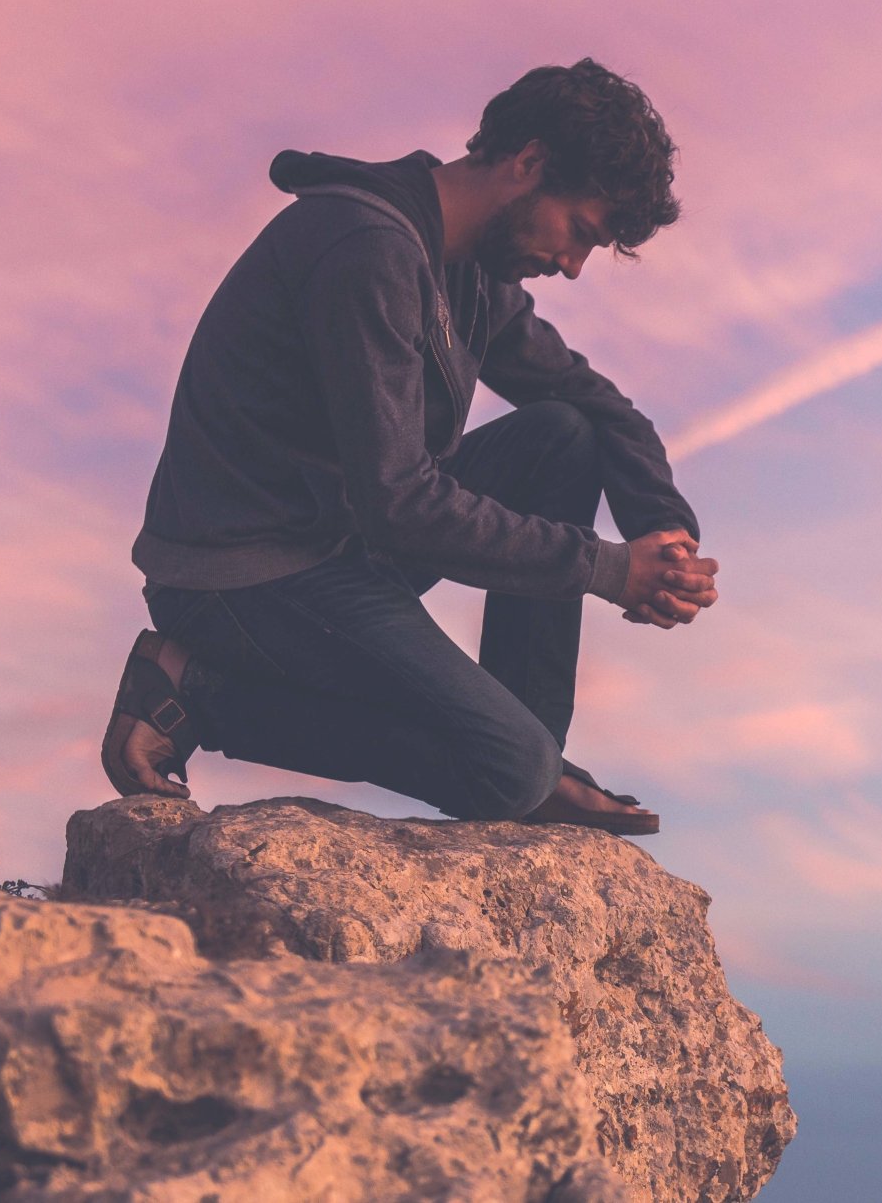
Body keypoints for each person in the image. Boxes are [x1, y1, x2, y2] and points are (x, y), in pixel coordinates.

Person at [99, 59, 716, 836]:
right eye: (579, 233)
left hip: (339, 537)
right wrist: (608, 570)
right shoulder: (365, 250)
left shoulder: (469, 269)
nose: (572, 265)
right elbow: (403, 503)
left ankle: (533, 757)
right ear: (527, 165)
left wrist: (659, 526)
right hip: (243, 572)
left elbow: (594, 402)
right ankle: (193, 691)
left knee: (562, 435)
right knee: (506, 767)